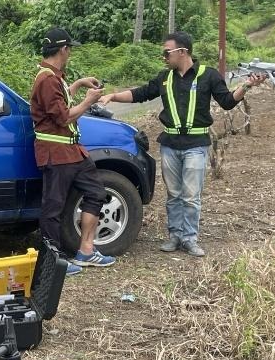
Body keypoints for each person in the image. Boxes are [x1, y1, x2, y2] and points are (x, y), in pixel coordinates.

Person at [99, 31, 265, 256]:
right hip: (169, 143)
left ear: (182, 52)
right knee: (174, 194)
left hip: (196, 144)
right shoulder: (165, 78)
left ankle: (190, 238)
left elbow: (226, 101)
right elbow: (141, 94)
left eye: (167, 52)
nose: (164, 57)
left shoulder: (209, 75)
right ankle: (175, 236)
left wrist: (246, 86)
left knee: (191, 195)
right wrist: (112, 96)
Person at [31, 27, 116, 275]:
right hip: (56, 154)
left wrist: (78, 84)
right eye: (70, 49)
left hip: (72, 153)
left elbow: (59, 102)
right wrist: (88, 101)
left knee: (96, 193)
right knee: (53, 208)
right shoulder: (46, 79)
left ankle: (86, 251)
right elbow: (64, 116)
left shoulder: (52, 77)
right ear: (63, 49)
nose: (70, 53)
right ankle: (52, 263)